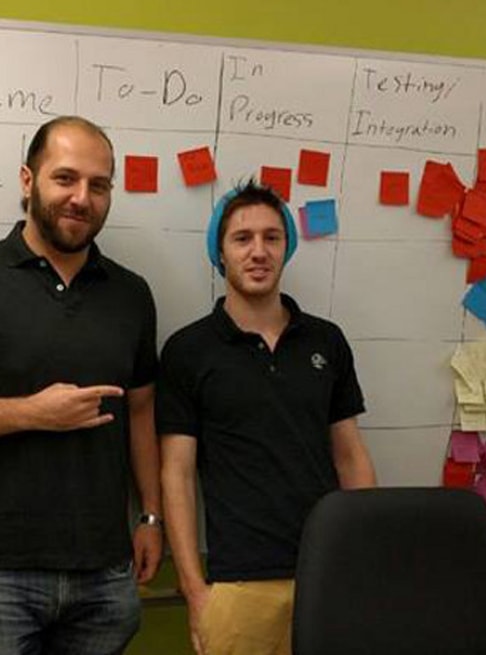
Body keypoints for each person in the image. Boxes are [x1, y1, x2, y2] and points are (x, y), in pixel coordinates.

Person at [0, 115, 161, 655]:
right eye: (64, 178)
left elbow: (141, 412)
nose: (81, 198)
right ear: (27, 180)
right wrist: (33, 413)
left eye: (99, 184)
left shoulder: (131, 295)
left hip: (106, 572)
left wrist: (151, 515)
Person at [158, 180, 377, 655]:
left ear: (287, 247)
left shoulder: (327, 342)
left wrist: (366, 561)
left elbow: (350, 456)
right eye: (242, 239)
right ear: (220, 253)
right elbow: (175, 473)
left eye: (271, 237)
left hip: (328, 572)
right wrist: (195, 589)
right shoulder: (188, 351)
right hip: (236, 586)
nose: (258, 251)